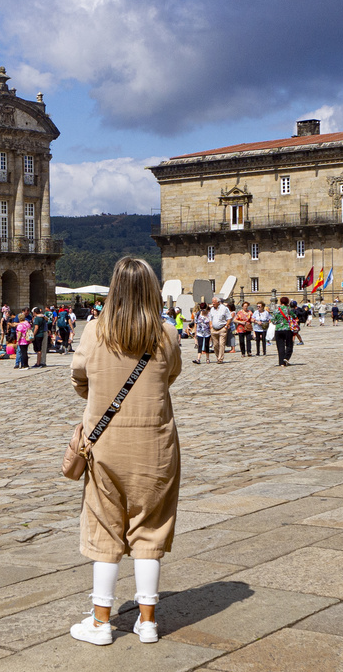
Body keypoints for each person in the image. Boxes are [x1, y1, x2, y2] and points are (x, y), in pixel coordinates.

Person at [69, 257, 182, 647]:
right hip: (155, 442)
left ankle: (101, 622)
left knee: (104, 526)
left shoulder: (94, 331)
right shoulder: (167, 333)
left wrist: (97, 394)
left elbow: (78, 378)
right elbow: (170, 376)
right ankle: (148, 621)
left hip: (107, 442)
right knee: (151, 526)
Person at [273, 298, 297, 366]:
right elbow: (295, 317)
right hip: (287, 329)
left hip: (278, 330)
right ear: (288, 302)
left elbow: (273, 321)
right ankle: (286, 357)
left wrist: (279, 322)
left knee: (280, 346)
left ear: (280, 302)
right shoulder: (289, 310)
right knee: (289, 344)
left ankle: (281, 363)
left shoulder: (276, 310)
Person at [207, 297, 231, 364]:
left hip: (222, 328)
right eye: (212, 302)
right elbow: (210, 318)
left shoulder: (224, 309)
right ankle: (218, 357)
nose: (213, 303)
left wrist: (226, 326)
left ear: (218, 302)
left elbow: (229, 318)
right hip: (214, 329)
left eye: (214, 302)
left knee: (221, 344)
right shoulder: (212, 309)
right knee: (215, 345)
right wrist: (211, 326)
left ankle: (220, 359)